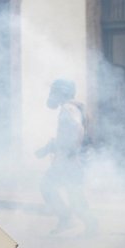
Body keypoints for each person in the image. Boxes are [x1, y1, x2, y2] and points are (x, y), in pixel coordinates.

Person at [35, 79, 97, 235]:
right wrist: (49, 147)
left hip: (70, 159)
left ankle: (70, 220)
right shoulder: (76, 107)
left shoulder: (68, 108)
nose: (51, 95)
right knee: (73, 192)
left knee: (48, 186)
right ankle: (86, 224)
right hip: (72, 158)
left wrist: (71, 154)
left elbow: (78, 129)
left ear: (61, 92)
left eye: (54, 91)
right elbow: (68, 135)